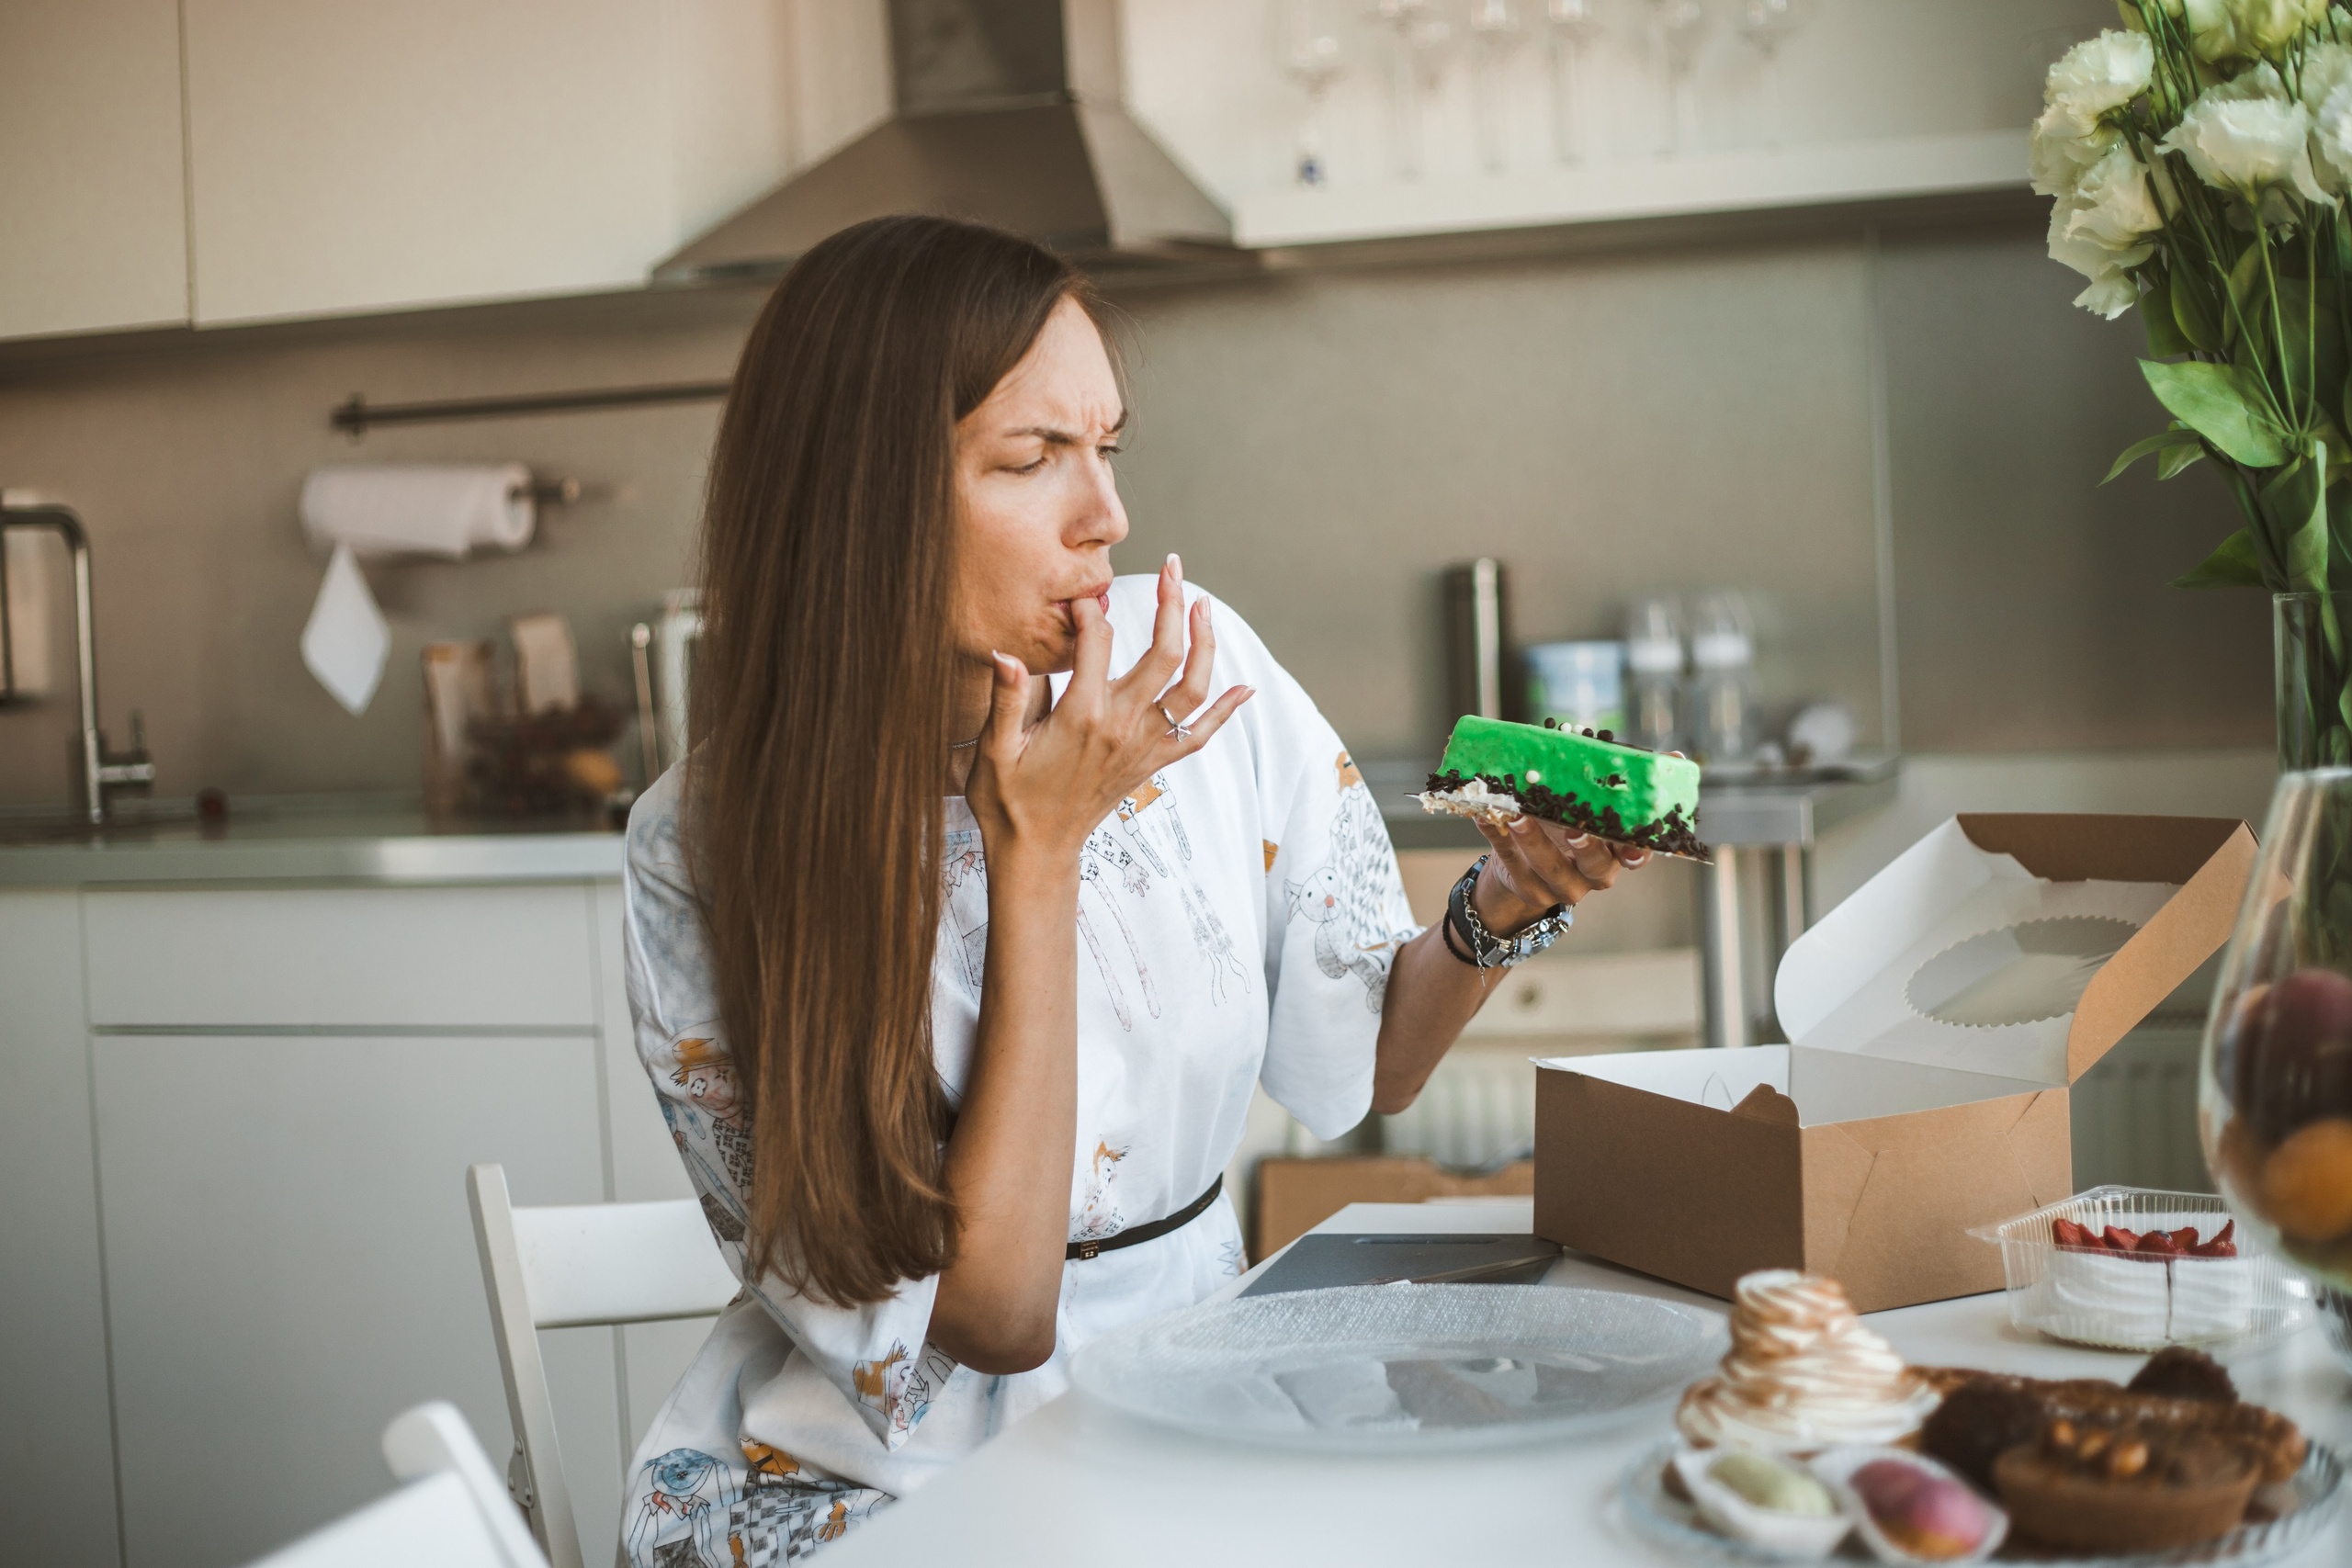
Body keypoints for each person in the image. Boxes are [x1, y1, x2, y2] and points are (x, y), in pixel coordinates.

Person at [617, 213, 1647, 1563]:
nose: (1105, 514)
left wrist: (1499, 902)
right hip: (878, 1492)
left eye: (1106, 448)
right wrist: (1037, 849)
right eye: (1031, 457)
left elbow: (1372, 1059)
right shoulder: (701, 847)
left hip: (1190, 1408)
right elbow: (996, 1316)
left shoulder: (1198, 670)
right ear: (861, 500)